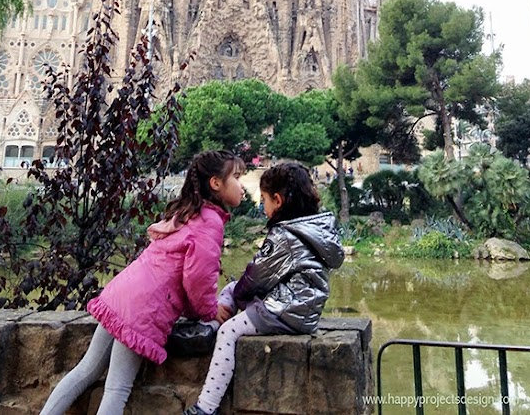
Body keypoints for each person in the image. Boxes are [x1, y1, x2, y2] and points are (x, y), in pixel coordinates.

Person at [39, 149, 246, 415]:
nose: (242, 186)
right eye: (237, 177)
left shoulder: (188, 212)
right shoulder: (210, 223)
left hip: (124, 293)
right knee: (117, 388)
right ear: (215, 183)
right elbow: (197, 279)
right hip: (144, 308)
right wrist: (208, 312)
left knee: (86, 369)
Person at [182, 161, 344, 415]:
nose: (263, 206)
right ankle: (211, 323)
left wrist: (236, 295)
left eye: (265, 200)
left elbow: (256, 276)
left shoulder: (284, 236)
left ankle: (206, 406)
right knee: (236, 291)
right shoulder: (319, 228)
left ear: (278, 201)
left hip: (285, 311)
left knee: (229, 330)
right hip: (304, 311)